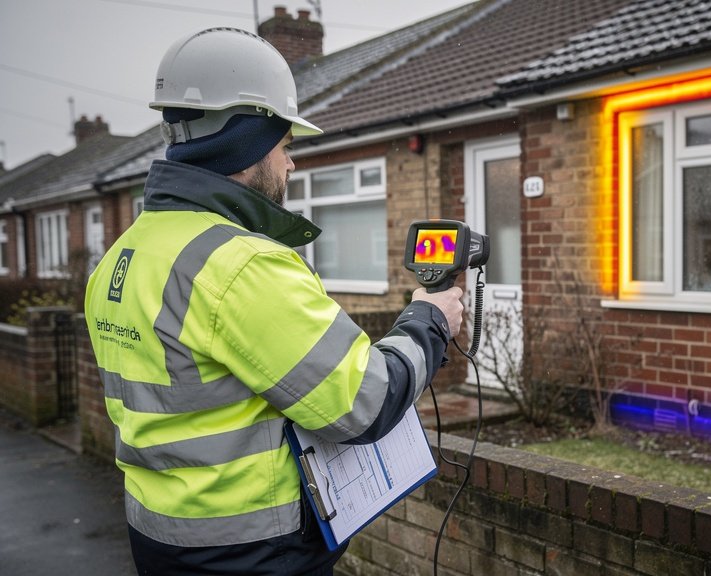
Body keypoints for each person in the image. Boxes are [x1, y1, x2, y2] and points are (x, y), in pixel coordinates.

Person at [83, 27, 464, 575]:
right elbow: (364, 401)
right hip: (254, 551)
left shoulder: (123, 256)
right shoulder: (239, 264)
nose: (291, 165)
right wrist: (431, 319)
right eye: (285, 145)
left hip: (157, 537)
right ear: (244, 142)